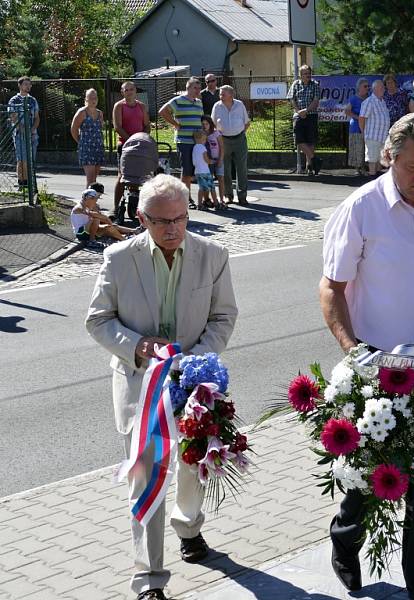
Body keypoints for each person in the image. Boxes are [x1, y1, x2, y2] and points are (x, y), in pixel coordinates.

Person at [321, 112, 414, 600]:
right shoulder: (361, 209)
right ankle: (346, 538)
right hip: (380, 366)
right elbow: (331, 288)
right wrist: (353, 351)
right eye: (411, 167)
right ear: (389, 156)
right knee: (375, 472)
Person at [85, 174, 238, 600]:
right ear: (140, 217)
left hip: (195, 385)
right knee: (146, 477)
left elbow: (223, 317)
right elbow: (97, 320)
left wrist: (194, 362)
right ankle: (149, 577)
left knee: (193, 465)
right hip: (141, 387)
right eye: (161, 221)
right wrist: (138, 346)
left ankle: (189, 527)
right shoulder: (118, 258)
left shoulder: (213, 254)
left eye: (180, 219)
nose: (172, 229)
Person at [159, 77, 204, 206]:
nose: (197, 90)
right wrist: (175, 123)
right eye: (195, 87)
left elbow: (200, 120)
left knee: (195, 171)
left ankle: (191, 197)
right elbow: (162, 111)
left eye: (199, 88)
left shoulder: (199, 102)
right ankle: (186, 198)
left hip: (197, 141)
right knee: (187, 170)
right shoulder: (178, 101)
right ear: (188, 88)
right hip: (184, 141)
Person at [113, 81, 150, 216]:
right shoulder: (119, 106)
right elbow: (117, 126)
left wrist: (142, 138)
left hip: (139, 146)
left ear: (135, 91)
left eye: (131, 89)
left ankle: (133, 208)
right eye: (126, 90)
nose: (129, 92)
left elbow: (147, 125)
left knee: (135, 177)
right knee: (122, 176)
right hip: (124, 145)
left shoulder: (141, 106)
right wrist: (130, 141)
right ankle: (116, 208)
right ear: (122, 92)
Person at [211, 85, 250, 205]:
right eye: (220, 94)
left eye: (223, 94)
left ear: (231, 95)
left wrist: (240, 132)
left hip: (239, 139)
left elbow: (247, 122)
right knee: (225, 168)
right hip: (223, 141)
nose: (220, 96)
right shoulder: (217, 106)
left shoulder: (239, 105)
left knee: (241, 168)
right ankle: (228, 195)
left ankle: (242, 196)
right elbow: (212, 123)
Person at [288, 64, 322, 175]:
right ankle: (314, 159)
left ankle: (310, 167)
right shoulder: (295, 84)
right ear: (301, 75)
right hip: (298, 116)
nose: (308, 76)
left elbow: (316, 101)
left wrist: (306, 111)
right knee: (299, 140)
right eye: (305, 74)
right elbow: (292, 99)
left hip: (311, 115)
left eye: (309, 73)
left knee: (310, 141)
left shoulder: (315, 85)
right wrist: (298, 111)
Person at [9, 76, 40, 190]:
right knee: (22, 159)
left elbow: (37, 117)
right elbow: (13, 117)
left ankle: (30, 184)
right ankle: (22, 183)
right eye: (26, 84)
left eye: (29, 84)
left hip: (32, 135)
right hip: (19, 134)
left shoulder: (33, 100)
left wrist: (32, 130)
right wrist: (23, 130)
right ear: (20, 85)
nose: (28, 86)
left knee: (31, 160)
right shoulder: (14, 100)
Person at [70, 88, 105, 187]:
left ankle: (92, 201)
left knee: (94, 180)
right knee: (90, 180)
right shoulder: (82, 112)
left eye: (95, 98)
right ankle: (86, 201)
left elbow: (100, 129)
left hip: (98, 147)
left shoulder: (100, 113)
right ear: (86, 99)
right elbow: (73, 129)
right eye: (91, 98)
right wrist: (80, 142)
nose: (93, 100)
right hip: (86, 148)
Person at [358, 79, 391, 176]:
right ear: (375, 89)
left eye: (383, 87)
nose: (384, 89)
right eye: (381, 87)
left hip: (382, 137)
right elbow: (362, 118)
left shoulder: (382, 102)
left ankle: (377, 182)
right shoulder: (369, 101)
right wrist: (363, 133)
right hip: (372, 137)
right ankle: (372, 179)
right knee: (372, 160)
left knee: (380, 161)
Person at [344, 78, 370, 175]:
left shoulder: (369, 98)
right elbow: (347, 111)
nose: (367, 88)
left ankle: (364, 168)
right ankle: (358, 169)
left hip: (367, 127)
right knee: (357, 147)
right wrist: (358, 117)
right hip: (356, 127)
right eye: (365, 86)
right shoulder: (354, 99)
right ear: (359, 88)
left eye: (368, 86)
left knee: (364, 148)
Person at [192, 130, 221, 210]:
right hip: (205, 171)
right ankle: (216, 203)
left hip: (198, 171)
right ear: (200, 139)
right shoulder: (203, 147)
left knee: (201, 188)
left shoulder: (194, 148)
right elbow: (206, 159)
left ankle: (200, 204)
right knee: (212, 187)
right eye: (204, 139)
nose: (205, 141)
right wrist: (211, 161)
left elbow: (194, 161)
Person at [201, 115, 225, 201]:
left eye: (206, 124)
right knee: (208, 180)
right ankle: (208, 199)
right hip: (207, 160)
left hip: (218, 158)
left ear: (210, 124)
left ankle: (222, 199)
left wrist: (220, 159)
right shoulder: (201, 134)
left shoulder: (216, 133)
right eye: (203, 124)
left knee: (220, 178)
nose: (205, 126)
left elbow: (222, 146)